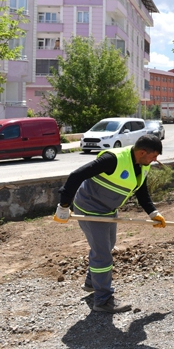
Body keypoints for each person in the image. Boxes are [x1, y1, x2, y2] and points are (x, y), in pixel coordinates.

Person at [53, 134, 165, 314]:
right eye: (154, 156)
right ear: (143, 152)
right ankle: (103, 300)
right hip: (90, 209)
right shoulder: (112, 159)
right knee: (103, 254)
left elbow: (141, 191)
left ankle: (92, 282)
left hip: (108, 209)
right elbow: (76, 175)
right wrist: (64, 205)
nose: (155, 160)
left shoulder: (142, 165)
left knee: (107, 246)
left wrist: (153, 213)